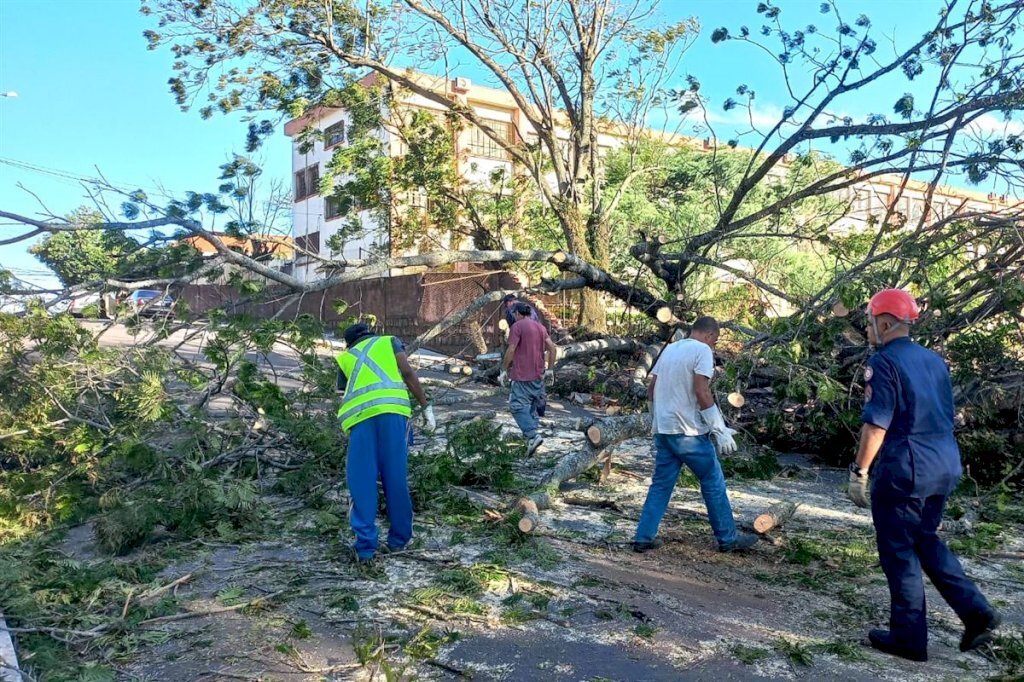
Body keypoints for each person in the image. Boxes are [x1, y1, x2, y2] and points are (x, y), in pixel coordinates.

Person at [847, 289, 1001, 661]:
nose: (868, 330)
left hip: (906, 469)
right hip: (944, 463)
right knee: (924, 539)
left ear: (884, 322)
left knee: (899, 552)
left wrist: (860, 470)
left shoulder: (883, 362)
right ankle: (976, 612)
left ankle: (908, 638)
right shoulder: (934, 361)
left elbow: (876, 425)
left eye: (869, 322)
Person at [633, 316, 759, 554]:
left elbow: (651, 391)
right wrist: (719, 429)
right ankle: (728, 539)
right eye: (715, 341)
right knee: (712, 480)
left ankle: (643, 536)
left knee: (660, 485)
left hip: (665, 431)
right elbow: (701, 391)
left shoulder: (670, 349)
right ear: (710, 335)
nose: (713, 345)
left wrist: (657, 422)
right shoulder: (702, 350)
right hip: (688, 433)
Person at [336, 322, 436, 562]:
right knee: (395, 477)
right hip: (393, 415)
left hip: (361, 421)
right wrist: (425, 406)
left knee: (361, 480)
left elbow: (341, 396)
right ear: (371, 333)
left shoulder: (345, 358)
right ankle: (399, 540)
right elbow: (408, 373)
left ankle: (366, 548)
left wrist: (348, 430)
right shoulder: (389, 341)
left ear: (349, 343)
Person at [499, 302, 557, 455]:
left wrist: (503, 370)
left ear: (517, 313)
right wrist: (550, 370)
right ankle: (530, 442)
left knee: (516, 406)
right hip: (538, 373)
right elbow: (552, 348)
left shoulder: (517, 327)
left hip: (522, 374)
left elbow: (511, 349)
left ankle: (532, 436)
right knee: (531, 408)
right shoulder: (540, 327)